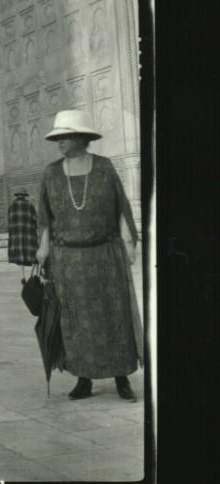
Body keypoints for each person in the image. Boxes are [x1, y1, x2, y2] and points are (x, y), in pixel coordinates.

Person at [35, 109, 143, 402]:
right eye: (57, 137)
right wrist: (43, 250)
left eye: (65, 136)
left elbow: (121, 208)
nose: (60, 142)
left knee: (114, 314)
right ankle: (83, 379)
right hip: (67, 261)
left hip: (106, 257)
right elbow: (44, 217)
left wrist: (129, 243)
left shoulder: (105, 167)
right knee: (75, 319)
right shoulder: (52, 173)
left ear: (82, 138)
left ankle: (122, 378)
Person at [7, 189, 38, 274]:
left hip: (16, 235)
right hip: (28, 234)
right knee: (32, 254)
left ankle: (22, 276)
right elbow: (35, 219)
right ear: (25, 196)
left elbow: (9, 221)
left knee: (20, 260)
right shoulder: (29, 205)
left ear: (17, 195)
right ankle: (32, 275)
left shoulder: (11, 205)